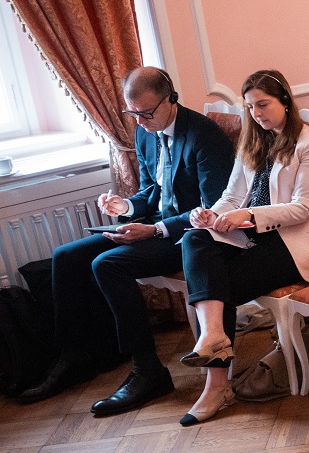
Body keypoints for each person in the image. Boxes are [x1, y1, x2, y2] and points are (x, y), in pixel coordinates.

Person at [18, 68, 234, 412]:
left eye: (147, 113)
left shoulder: (203, 136)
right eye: (132, 113)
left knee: (108, 265)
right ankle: (74, 357)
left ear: (171, 99)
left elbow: (212, 207)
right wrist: (127, 206)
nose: (140, 121)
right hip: (152, 225)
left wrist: (155, 230)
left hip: (191, 237)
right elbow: (151, 190)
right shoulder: (144, 133)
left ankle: (147, 370)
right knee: (66, 257)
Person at [176, 70, 309, 425]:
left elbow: (304, 209)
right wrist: (212, 214)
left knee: (217, 286)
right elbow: (231, 195)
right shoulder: (252, 142)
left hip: (298, 243)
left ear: (285, 101)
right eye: (250, 107)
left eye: (263, 104)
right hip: (253, 236)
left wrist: (248, 214)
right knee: (194, 238)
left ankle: (216, 385)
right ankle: (215, 337)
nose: (257, 113)